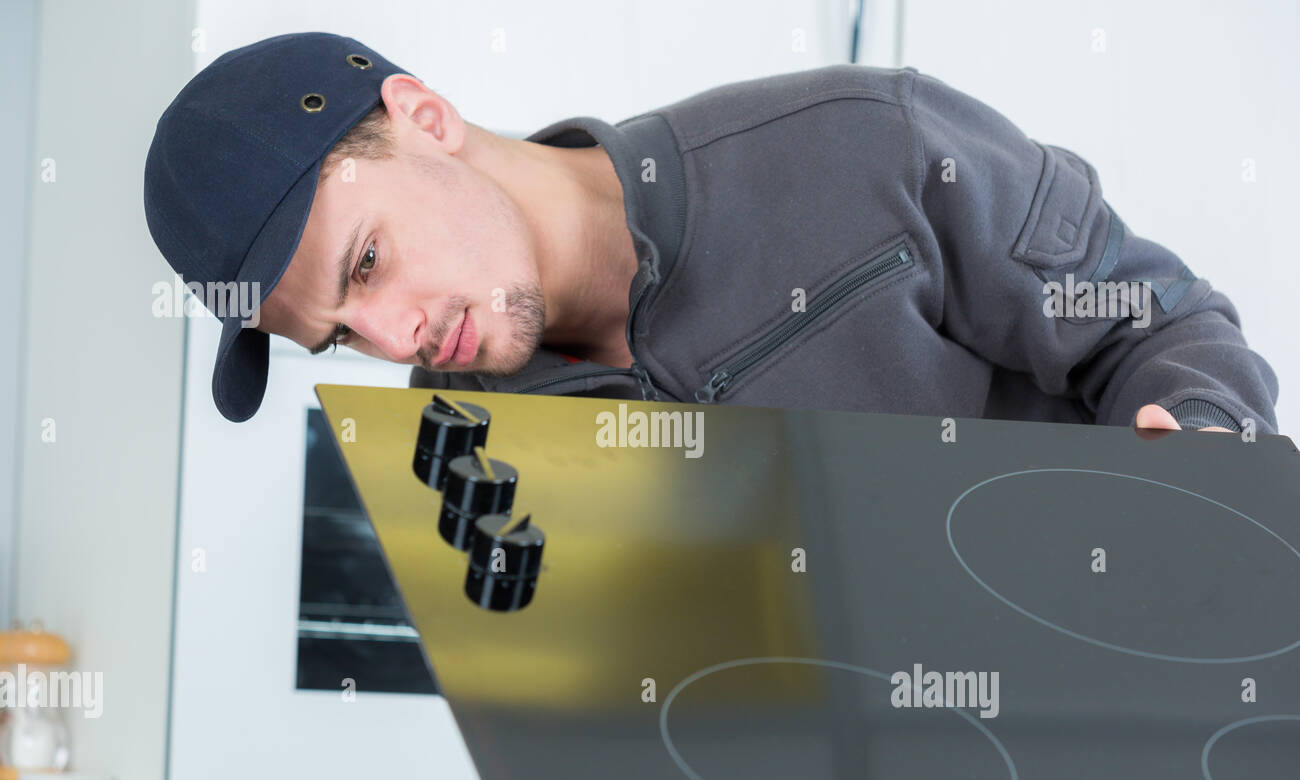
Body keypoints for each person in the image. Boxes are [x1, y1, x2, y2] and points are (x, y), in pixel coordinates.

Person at [144, 32, 1279, 435]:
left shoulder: (857, 141)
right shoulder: (471, 431)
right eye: (339, 335)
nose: (394, 339)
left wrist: (1199, 432)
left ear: (425, 120)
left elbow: (1155, 323)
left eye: (366, 263)